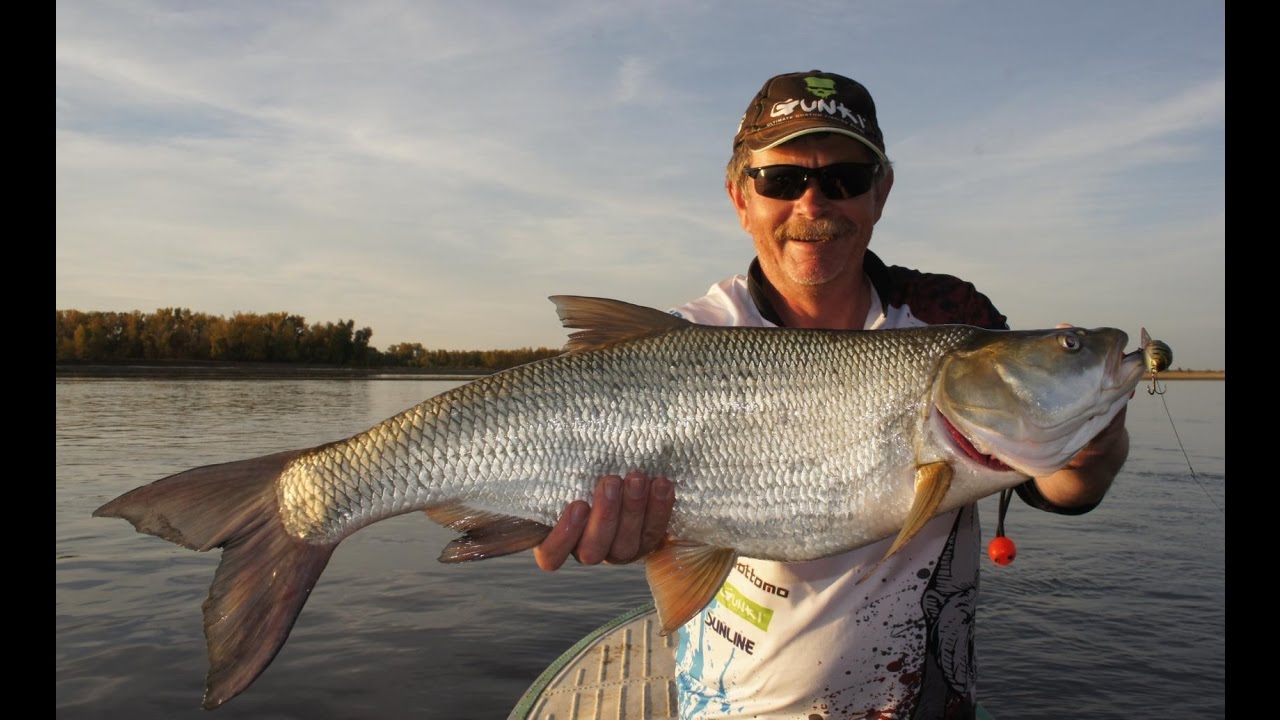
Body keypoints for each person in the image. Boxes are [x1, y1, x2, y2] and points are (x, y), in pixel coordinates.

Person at [532, 70, 1130, 719]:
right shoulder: (693, 335)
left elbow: (1057, 487)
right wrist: (622, 532)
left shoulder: (949, 316)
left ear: (880, 192)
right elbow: (649, 538)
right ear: (740, 197)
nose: (813, 205)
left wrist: (1090, 449)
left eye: (842, 179)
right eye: (782, 181)